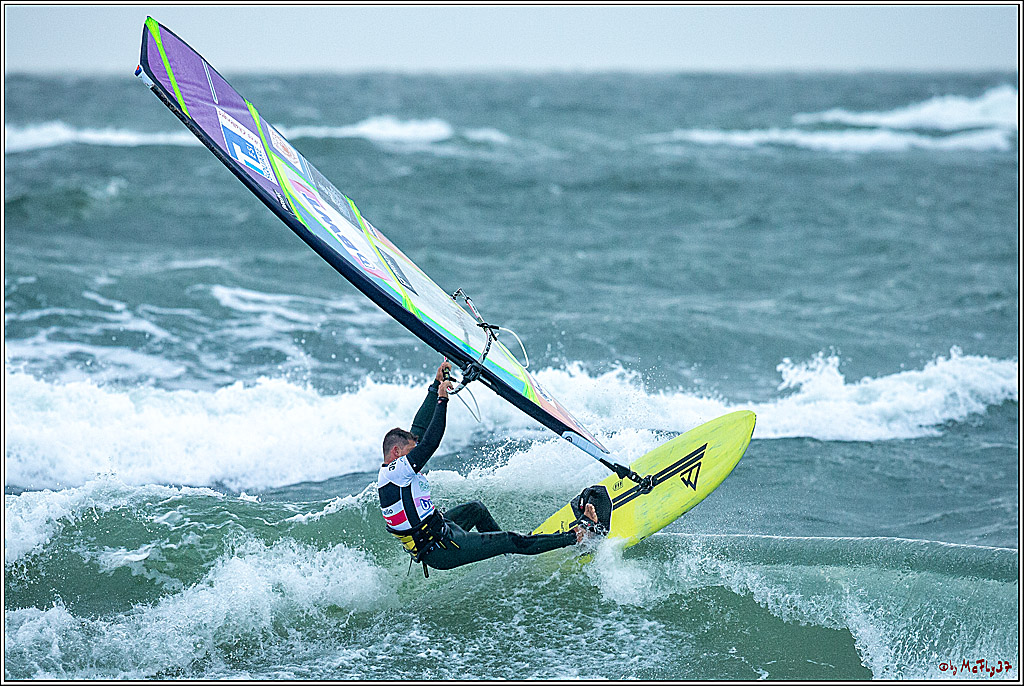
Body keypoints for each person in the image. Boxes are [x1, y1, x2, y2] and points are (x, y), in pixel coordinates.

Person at [378, 361, 598, 574]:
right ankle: (577, 536)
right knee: (510, 539)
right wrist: (442, 400)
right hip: (441, 549)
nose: (415, 454)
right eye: (410, 451)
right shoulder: (396, 472)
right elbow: (429, 443)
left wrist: (436, 386)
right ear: (396, 451)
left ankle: (507, 555)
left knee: (476, 509)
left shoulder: (395, 472)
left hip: (440, 529)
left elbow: (418, 429)